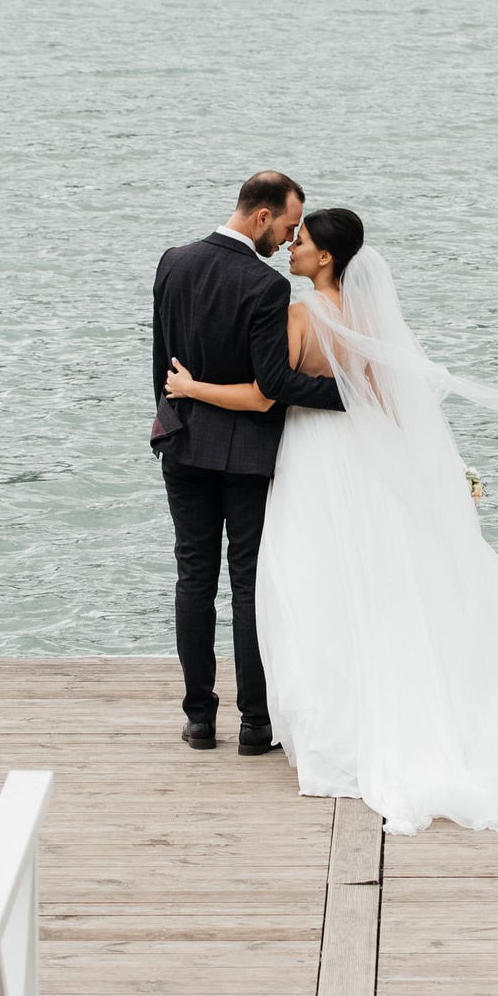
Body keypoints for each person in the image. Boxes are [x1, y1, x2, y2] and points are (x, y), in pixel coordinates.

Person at [163, 206, 498, 834]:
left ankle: (319, 723)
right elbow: (392, 405)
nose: (290, 248)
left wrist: (192, 389)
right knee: (384, 579)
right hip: (365, 456)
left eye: (300, 241)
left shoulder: (300, 314)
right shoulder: (370, 320)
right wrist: (433, 476)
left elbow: (263, 394)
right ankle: (357, 711)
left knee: (310, 583)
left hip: (312, 458)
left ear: (325, 258)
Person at [149, 171, 345, 755]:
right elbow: (274, 384)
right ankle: (256, 724)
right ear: (261, 216)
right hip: (247, 454)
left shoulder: (173, 262)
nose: (288, 241)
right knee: (248, 585)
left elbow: (161, 359)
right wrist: (352, 395)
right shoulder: (264, 287)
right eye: (287, 226)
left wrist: (168, 419)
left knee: (192, 577)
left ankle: (199, 718)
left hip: (181, 442)